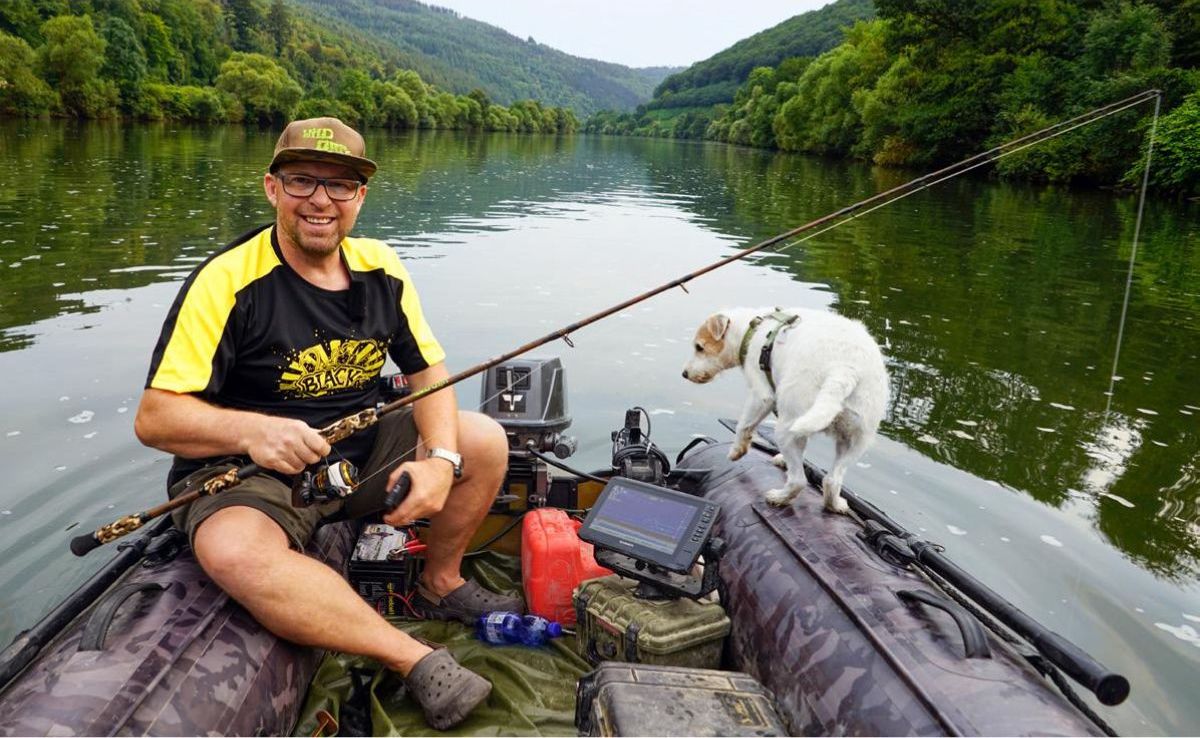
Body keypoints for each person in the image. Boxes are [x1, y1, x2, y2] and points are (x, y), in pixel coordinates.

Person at [133, 116, 518, 730]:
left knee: (484, 439)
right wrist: (252, 431)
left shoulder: (381, 269)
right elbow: (155, 418)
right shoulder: (228, 280)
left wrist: (441, 461)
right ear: (272, 189)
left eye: (340, 186)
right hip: (252, 470)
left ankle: (441, 583)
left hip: (359, 453)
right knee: (232, 548)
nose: (321, 200)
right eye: (303, 181)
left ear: (360, 197)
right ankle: (412, 657)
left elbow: (430, 376)